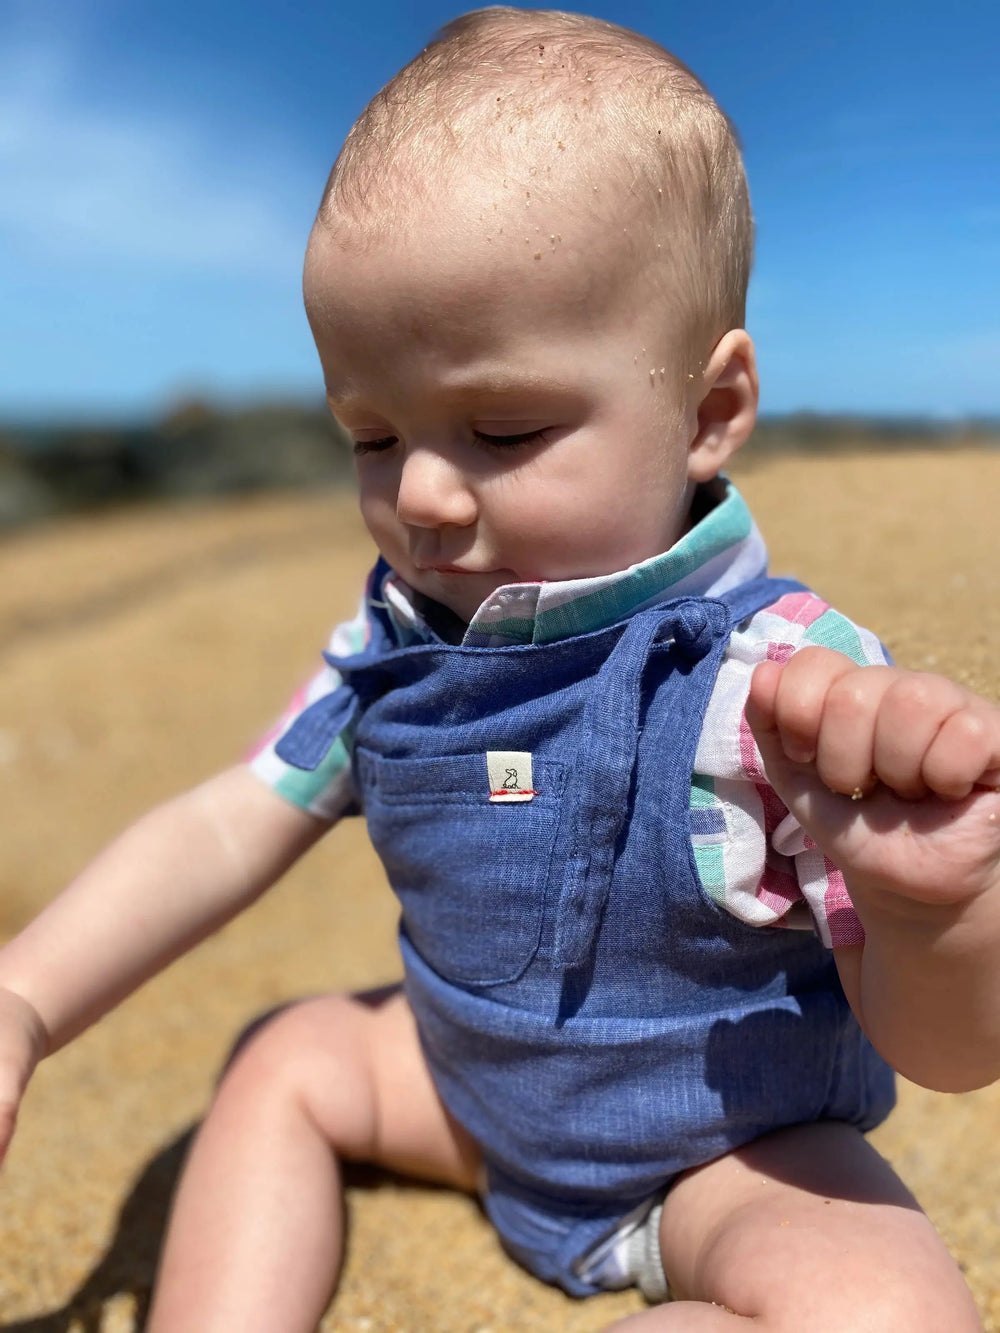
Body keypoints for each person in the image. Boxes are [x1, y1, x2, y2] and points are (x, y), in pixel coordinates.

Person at [2, 9, 999, 1330]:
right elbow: (228, 818)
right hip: (468, 1092)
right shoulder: (390, 648)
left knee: (887, 1308)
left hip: (716, 1147)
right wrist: (25, 992)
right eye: (369, 434)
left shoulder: (784, 687)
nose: (419, 491)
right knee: (289, 1058)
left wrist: (933, 916)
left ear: (708, 415)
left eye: (502, 427)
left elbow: (946, 1052)